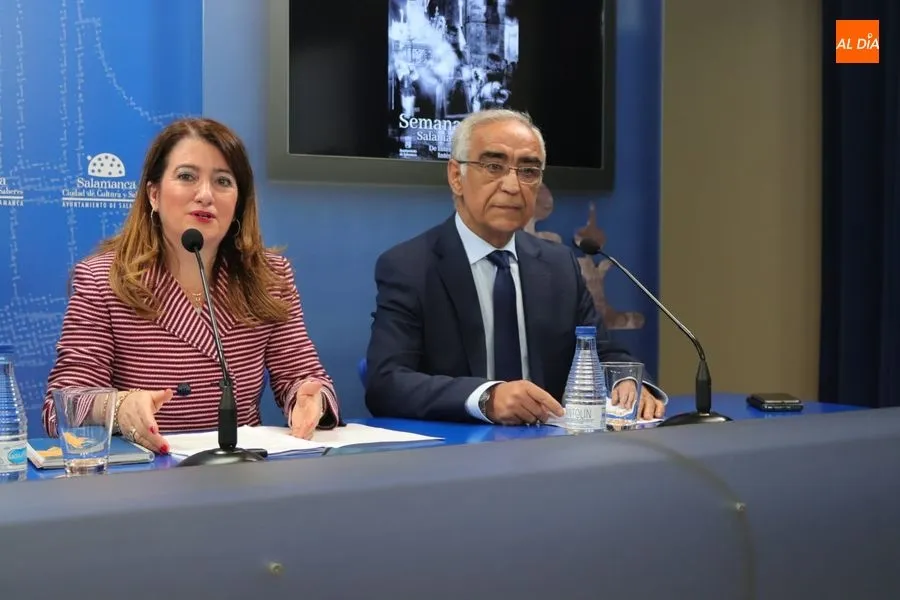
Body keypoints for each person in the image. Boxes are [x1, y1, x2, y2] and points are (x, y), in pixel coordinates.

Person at [42, 117, 340, 453]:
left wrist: (310, 401)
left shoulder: (268, 276)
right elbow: (61, 406)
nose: (205, 195)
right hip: (148, 480)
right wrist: (119, 406)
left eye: (223, 181)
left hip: (242, 476)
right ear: (153, 194)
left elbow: (304, 377)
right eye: (187, 177)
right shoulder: (103, 279)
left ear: (238, 201)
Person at [365, 109, 666, 425]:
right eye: (494, 166)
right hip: (455, 456)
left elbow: (602, 352)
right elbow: (386, 382)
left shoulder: (559, 264)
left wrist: (629, 383)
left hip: (551, 452)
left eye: (528, 171)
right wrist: (487, 398)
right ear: (456, 176)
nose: (512, 185)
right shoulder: (410, 266)